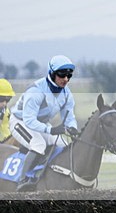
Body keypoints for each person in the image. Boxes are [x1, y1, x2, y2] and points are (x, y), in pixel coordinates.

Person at [10, 55, 80, 191]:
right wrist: (52, 130)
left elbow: (69, 117)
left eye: (69, 75)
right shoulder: (36, 91)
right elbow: (29, 120)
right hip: (20, 121)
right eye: (62, 75)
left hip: (40, 124)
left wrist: (73, 128)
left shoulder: (66, 93)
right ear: (52, 73)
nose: (66, 79)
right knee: (38, 144)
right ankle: (22, 180)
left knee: (63, 144)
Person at [0, 78, 15, 142]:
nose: (4, 103)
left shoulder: (5, 110)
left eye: (7, 99)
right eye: (1, 99)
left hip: (7, 141)